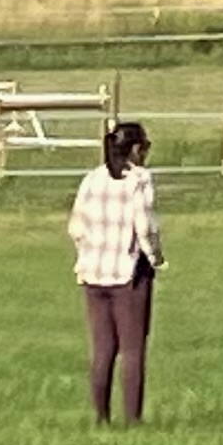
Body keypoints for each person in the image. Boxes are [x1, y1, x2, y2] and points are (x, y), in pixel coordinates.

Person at [67, 119, 161, 425]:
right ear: (135, 149)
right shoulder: (139, 180)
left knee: (103, 349)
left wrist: (88, 254)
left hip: (93, 273)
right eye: (144, 147)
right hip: (127, 273)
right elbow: (144, 227)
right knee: (133, 350)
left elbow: (76, 227)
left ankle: (101, 418)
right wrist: (155, 257)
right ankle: (133, 419)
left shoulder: (91, 179)